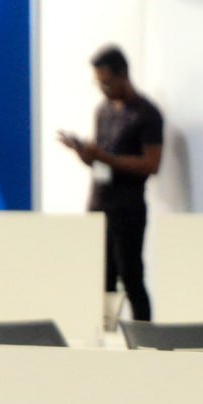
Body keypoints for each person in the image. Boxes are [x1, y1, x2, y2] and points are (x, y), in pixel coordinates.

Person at [57, 45, 161, 323]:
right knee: (100, 277)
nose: (102, 87)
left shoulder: (146, 113)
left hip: (127, 208)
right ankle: (104, 333)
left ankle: (144, 338)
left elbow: (151, 164)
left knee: (131, 276)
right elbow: (102, 160)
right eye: (98, 82)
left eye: (106, 81)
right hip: (99, 203)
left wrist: (105, 157)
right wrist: (86, 154)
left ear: (122, 75)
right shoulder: (103, 111)